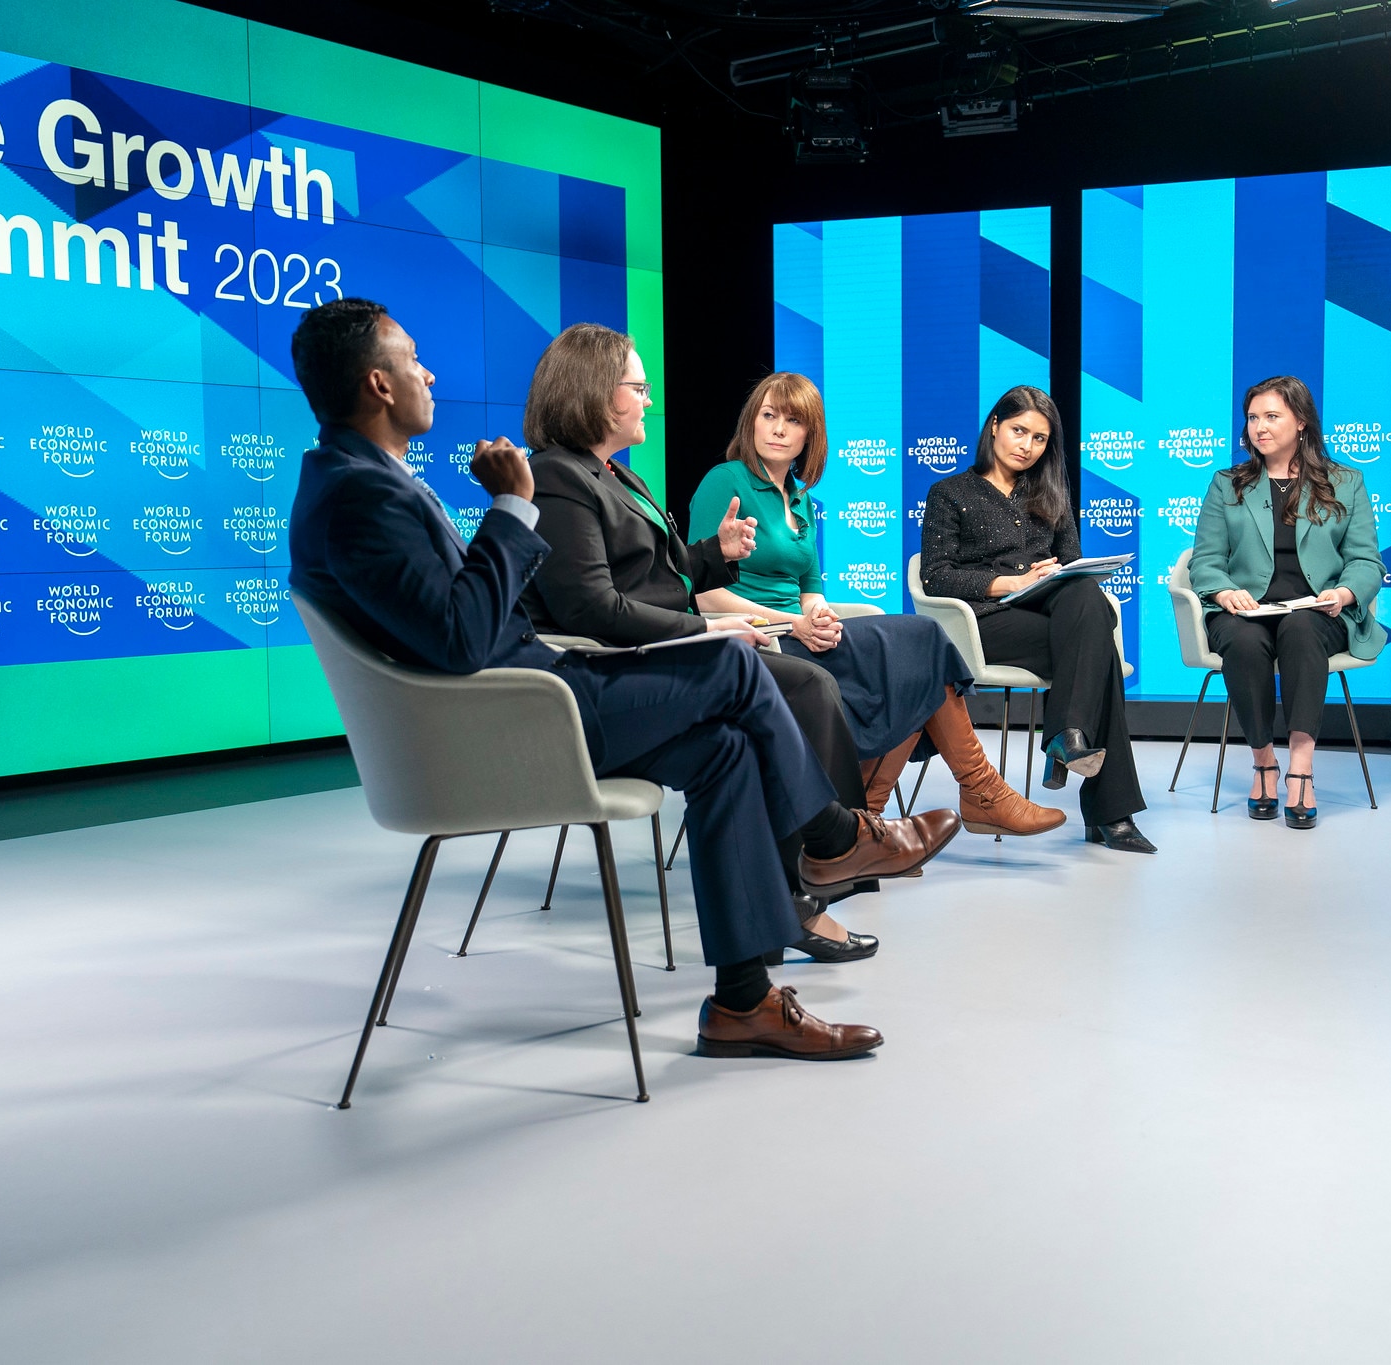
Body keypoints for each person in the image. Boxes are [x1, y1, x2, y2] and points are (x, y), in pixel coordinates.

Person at [287, 298, 958, 1060]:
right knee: (738, 662)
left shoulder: (364, 479)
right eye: (412, 359)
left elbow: (476, 615)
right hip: (521, 719)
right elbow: (468, 636)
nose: (428, 371)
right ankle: (836, 837)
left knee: (726, 748)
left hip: (536, 695)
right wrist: (512, 504)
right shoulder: (357, 496)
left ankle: (744, 1001)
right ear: (378, 385)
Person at [520, 324, 962, 959]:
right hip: (611, 676)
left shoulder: (617, 476)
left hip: (656, 656)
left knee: (793, 698)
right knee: (806, 685)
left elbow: (657, 580)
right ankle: (834, 850)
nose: (649, 400)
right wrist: (709, 626)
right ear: (594, 392)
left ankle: (818, 876)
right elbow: (592, 608)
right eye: (639, 388)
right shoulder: (560, 478)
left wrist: (713, 556)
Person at [685, 372, 1064, 841]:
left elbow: (810, 587)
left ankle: (869, 820)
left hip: (801, 633)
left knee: (915, 656)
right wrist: (796, 623)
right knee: (917, 650)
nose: (779, 429)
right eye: (769, 416)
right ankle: (971, 794)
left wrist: (818, 614)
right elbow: (703, 595)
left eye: (793, 420)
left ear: (810, 434)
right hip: (756, 640)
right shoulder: (726, 482)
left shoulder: (800, 497)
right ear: (752, 423)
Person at [920, 385, 1154, 854]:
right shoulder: (950, 492)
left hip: (1050, 612)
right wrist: (1013, 582)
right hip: (986, 623)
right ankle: (1109, 810)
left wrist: (1055, 573)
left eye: (1040, 438)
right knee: (1099, 654)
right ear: (994, 427)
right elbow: (935, 576)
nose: (1027, 445)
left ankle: (1068, 735)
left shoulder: (1050, 492)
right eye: (1019, 431)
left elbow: (1072, 562)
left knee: (1085, 591)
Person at [1187, 376, 1385, 830]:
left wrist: (1344, 593)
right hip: (1247, 611)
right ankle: (1263, 763)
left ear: (1301, 422)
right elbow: (1206, 560)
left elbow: (1366, 561)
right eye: (1253, 418)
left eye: (1271, 416)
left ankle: (1301, 767)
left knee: (1300, 631)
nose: (1259, 427)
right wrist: (1221, 592)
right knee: (1242, 639)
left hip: (1318, 610)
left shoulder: (1345, 483)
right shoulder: (1228, 484)